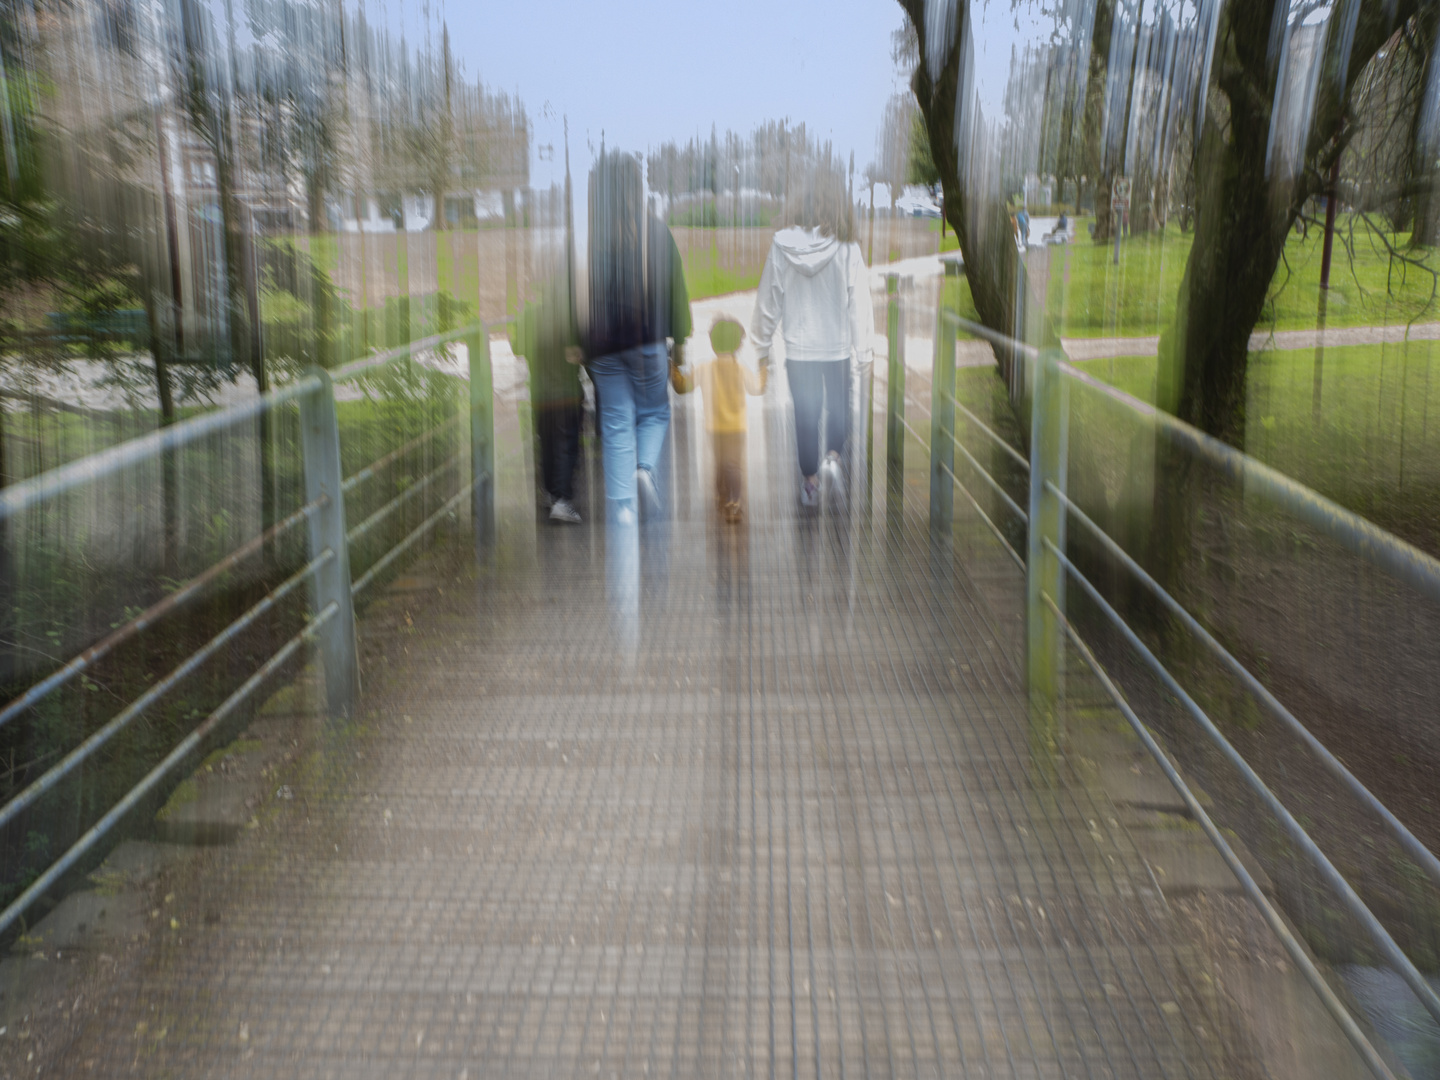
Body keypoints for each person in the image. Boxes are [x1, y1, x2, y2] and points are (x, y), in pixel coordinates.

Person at [750, 169, 874, 509]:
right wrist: (864, 352)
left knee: (805, 415)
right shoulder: (848, 248)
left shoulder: (782, 244)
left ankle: (810, 483)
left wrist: (760, 346)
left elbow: (768, 299)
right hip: (836, 350)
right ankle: (832, 458)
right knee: (839, 409)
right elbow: (859, 303)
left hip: (799, 350)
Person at [583, 150, 691, 523]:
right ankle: (644, 468)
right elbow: (675, 291)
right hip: (647, 343)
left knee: (614, 420)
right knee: (654, 413)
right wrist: (680, 340)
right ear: (635, 188)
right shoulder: (656, 233)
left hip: (603, 347)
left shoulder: (590, 238)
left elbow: (577, 294)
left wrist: (580, 347)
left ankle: (623, 507)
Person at [670, 316, 767, 523]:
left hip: (713, 428)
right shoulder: (740, 368)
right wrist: (764, 367)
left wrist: (674, 368)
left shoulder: (705, 368)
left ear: (713, 343)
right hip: (737, 428)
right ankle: (734, 502)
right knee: (733, 465)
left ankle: (721, 495)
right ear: (738, 345)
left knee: (721, 463)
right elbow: (757, 388)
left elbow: (682, 387)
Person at [512, 276, 583, 524]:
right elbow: (581, 353)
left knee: (547, 443)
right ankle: (562, 500)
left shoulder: (528, 315)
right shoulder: (570, 317)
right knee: (566, 444)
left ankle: (551, 494)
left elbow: (517, 347)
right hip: (566, 393)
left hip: (540, 394)